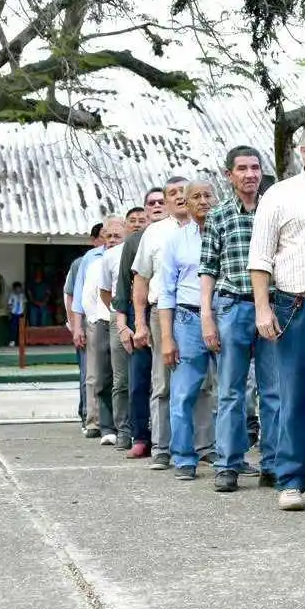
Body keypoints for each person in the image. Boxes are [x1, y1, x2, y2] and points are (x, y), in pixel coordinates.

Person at [249, 123, 305, 510]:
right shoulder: (280, 195)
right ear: (303, 151)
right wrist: (262, 307)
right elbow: (260, 256)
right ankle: (292, 479)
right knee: (297, 396)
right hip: (296, 305)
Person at [199, 146, 267, 492]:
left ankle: (271, 462)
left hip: (269, 308)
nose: (249, 174)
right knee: (231, 391)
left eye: (255, 167)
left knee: (272, 390)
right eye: (241, 168)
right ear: (229, 175)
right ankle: (227, 463)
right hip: (231, 307)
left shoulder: (272, 210)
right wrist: (207, 316)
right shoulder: (220, 214)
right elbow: (208, 268)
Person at [134, 179, 197, 470]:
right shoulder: (155, 233)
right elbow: (141, 279)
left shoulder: (205, 227)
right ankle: (162, 447)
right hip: (162, 312)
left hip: (201, 311)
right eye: (172, 193)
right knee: (163, 381)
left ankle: (204, 445)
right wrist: (139, 322)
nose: (179, 197)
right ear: (167, 201)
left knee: (206, 383)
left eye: (183, 191)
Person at [159, 180, 221, 479]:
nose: (202, 201)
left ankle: (228, 456)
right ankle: (184, 458)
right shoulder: (176, 240)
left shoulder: (227, 234)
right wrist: (168, 337)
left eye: (208, 195)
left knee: (231, 391)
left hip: (225, 316)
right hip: (187, 320)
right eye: (195, 196)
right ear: (186, 202)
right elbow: (165, 292)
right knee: (183, 392)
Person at [111, 187, 167, 458]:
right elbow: (123, 285)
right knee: (139, 381)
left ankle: (168, 438)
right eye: (151, 203)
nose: (157, 206)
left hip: (173, 314)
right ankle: (141, 437)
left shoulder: (183, 231)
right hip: (139, 317)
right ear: (145, 209)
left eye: (161, 201)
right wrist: (124, 325)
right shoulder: (134, 242)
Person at [79, 217, 125, 442]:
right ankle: (107, 427)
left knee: (123, 378)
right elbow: (88, 297)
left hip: (123, 323)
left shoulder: (129, 259)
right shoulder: (95, 264)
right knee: (102, 377)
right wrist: (98, 319)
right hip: (101, 323)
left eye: (117, 236)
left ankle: (124, 425)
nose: (113, 240)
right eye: (109, 237)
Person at [100, 208, 141, 448]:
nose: (137, 224)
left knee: (147, 378)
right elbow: (105, 292)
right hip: (120, 314)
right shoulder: (111, 255)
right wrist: (118, 314)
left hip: (147, 313)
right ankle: (123, 430)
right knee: (121, 378)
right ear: (125, 226)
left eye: (141, 220)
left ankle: (144, 429)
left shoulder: (155, 244)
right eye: (132, 221)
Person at [67, 223, 104, 427]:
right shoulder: (85, 261)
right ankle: (88, 416)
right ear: (94, 239)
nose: (109, 239)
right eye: (104, 235)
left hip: (113, 322)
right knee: (88, 374)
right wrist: (75, 326)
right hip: (90, 322)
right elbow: (73, 295)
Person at [7, 281, 26, 346]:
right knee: (13, 328)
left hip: (21, 313)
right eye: (17, 289)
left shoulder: (22, 295)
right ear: (14, 289)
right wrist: (9, 313)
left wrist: (25, 313)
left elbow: (24, 304)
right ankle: (12, 341)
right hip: (14, 314)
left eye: (19, 288)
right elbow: (9, 304)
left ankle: (20, 341)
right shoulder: (12, 295)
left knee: (21, 328)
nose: (18, 290)